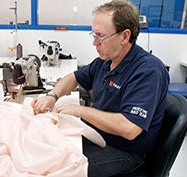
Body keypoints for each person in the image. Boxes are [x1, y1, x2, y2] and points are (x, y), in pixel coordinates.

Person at [32, 0, 170, 176]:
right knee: (44, 149)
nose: (95, 43)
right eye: (93, 35)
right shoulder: (105, 62)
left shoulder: (148, 71)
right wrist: (51, 96)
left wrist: (79, 110)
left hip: (125, 151)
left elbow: (129, 128)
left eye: (101, 36)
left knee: (57, 169)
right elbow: (74, 77)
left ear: (124, 36)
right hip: (97, 135)